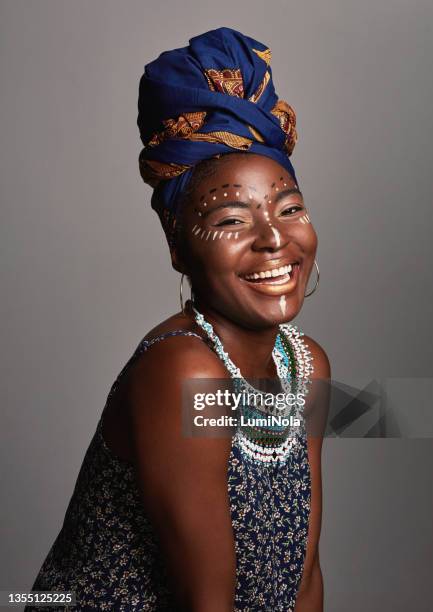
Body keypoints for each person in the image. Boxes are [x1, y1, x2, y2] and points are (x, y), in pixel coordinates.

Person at [27, 27, 330, 611]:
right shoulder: (183, 373)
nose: (274, 239)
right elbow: (205, 600)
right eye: (232, 221)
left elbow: (305, 571)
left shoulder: (305, 365)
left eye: (290, 209)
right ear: (177, 247)